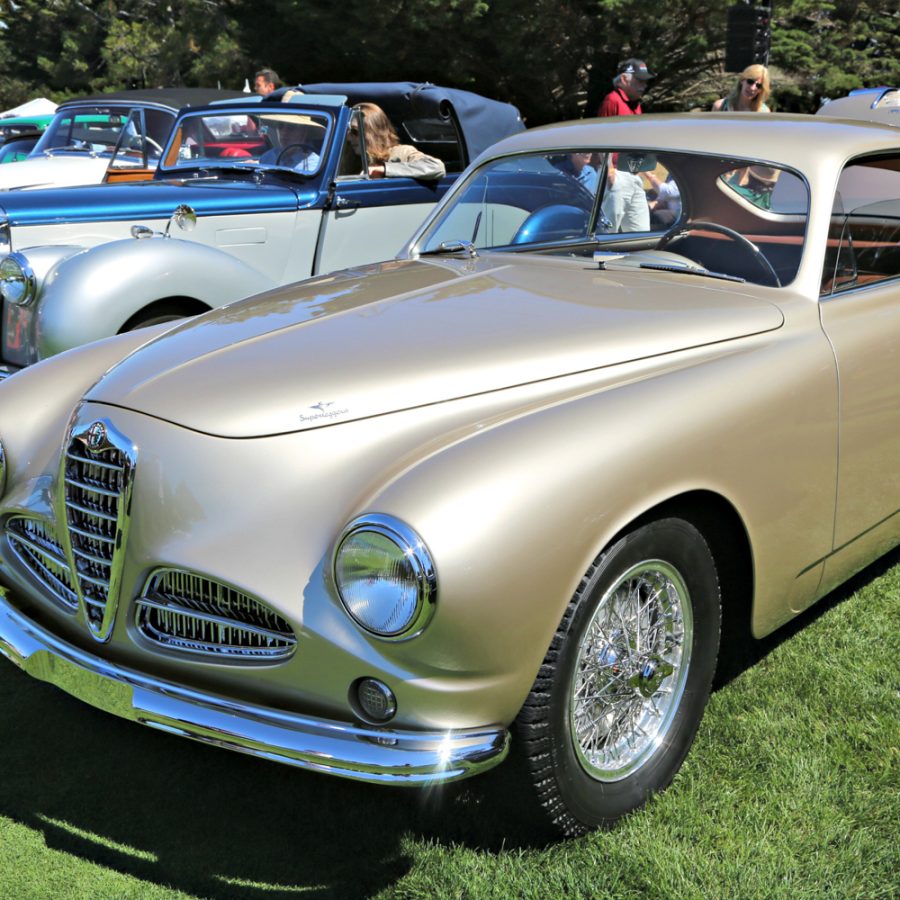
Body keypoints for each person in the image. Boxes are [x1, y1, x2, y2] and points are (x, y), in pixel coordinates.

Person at [597, 58, 655, 232]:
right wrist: (610, 172)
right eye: (639, 80)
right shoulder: (612, 100)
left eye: (645, 81)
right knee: (607, 233)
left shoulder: (635, 105)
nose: (644, 85)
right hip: (615, 175)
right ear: (624, 79)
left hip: (633, 175)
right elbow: (601, 137)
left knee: (641, 233)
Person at [350, 102, 445, 180]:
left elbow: (436, 167)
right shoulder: (349, 159)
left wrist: (384, 169)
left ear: (373, 132)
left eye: (355, 131)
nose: (349, 138)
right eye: (348, 132)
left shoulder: (401, 152)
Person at [258, 114, 323, 172]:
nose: (284, 132)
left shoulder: (314, 166)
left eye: (291, 127)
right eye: (281, 126)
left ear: (304, 131)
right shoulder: (268, 157)